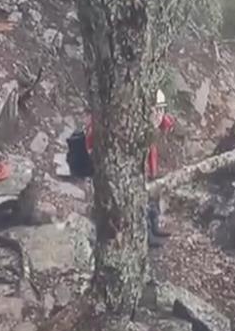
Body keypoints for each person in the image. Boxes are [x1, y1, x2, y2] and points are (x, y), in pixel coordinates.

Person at [73, 90, 175, 246]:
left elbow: (165, 123)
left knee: (153, 196)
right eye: (156, 109)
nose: (159, 113)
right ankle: (146, 232)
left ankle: (154, 225)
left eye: (161, 109)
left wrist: (162, 121)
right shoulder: (128, 119)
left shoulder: (151, 117)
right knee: (139, 199)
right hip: (131, 166)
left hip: (149, 164)